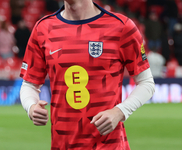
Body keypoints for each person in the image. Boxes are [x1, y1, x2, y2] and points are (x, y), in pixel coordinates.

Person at [19, 0, 155, 149]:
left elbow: (147, 83)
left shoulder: (121, 27)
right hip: (62, 145)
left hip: (109, 145)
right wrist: (31, 106)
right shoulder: (43, 28)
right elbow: (29, 84)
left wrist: (120, 112)